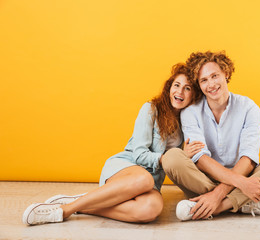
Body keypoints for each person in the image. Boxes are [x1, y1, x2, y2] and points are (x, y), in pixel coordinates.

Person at [22, 63, 202, 225]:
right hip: (126, 168)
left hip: (151, 182)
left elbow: (176, 162)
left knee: (151, 209)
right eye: (176, 85)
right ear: (169, 87)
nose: (180, 92)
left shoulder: (187, 122)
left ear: (193, 95)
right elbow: (139, 154)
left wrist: (182, 156)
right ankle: (64, 210)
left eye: (187, 88)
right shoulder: (151, 109)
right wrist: (167, 158)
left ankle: (84, 204)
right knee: (144, 179)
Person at [161, 51, 260, 221]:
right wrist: (241, 184)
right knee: (172, 157)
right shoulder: (190, 112)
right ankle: (244, 202)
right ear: (198, 83)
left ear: (226, 74)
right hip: (204, 179)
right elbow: (200, 158)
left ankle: (216, 207)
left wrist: (219, 194)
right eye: (204, 80)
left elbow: (249, 158)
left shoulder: (249, 108)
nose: (211, 84)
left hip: (242, 173)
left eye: (214, 76)